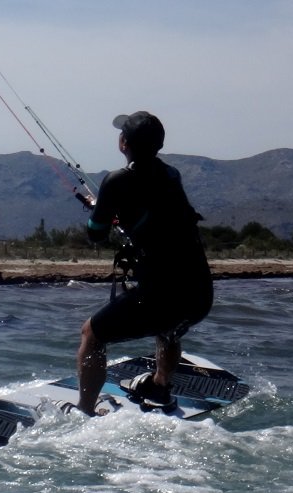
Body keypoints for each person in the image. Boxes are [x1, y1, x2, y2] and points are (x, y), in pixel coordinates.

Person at [74, 110, 213, 416]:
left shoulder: (116, 181)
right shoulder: (171, 176)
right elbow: (156, 211)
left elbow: (96, 234)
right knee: (168, 329)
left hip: (162, 294)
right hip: (199, 291)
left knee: (91, 335)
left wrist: (99, 209)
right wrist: (113, 210)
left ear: (123, 142)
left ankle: (83, 411)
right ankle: (160, 387)